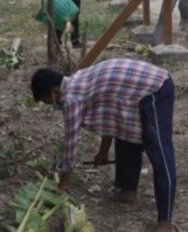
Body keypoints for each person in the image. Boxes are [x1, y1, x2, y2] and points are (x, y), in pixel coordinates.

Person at [31, 59, 176, 232]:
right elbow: (110, 118)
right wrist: (103, 151)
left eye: (48, 101)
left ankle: (165, 221)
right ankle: (127, 190)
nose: (51, 106)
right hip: (134, 92)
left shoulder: (72, 99)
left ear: (54, 91)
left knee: (159, 150)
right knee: (125, 133)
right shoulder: (77, 79)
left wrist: (63, 183)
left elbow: (71, 143)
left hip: (155, 89)